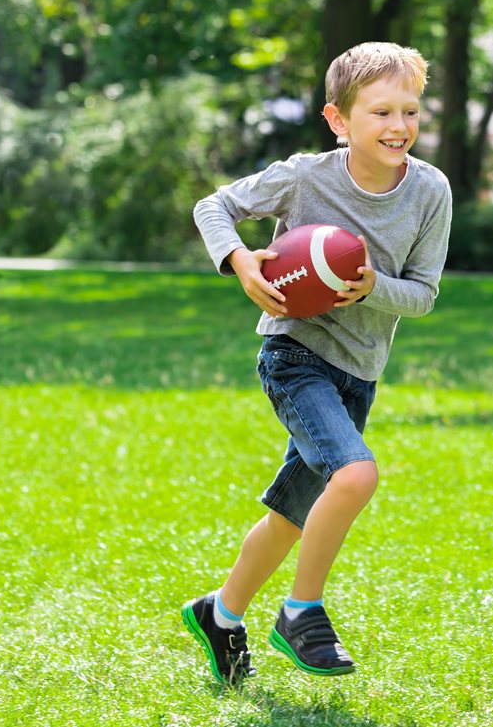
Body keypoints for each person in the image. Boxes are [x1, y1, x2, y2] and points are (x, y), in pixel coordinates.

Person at [183, 42, 452, 684]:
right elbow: (213, 206)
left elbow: (423, 294)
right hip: (294, 354)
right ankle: (301, 613)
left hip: (359, 371)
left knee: (288, 518)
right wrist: (239, 259)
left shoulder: (430, 190)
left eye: (410, 112)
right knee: (355, 476)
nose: (399, 127)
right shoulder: (306, 176)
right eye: (381, 111)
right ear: (339, 120)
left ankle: (219, 615)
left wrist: (369, 287)